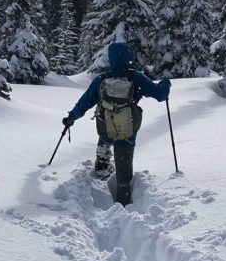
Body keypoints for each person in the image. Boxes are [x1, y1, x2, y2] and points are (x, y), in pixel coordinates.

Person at [63, 41, 171, 206]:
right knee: (124, 169)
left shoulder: (102, 79)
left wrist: (71, 117)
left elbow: (84, 102)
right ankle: (123, 201)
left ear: (111, 58)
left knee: (105, 137)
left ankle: (101, 168)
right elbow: (160, 95)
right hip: (127, 130)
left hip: (106, 126)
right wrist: (165, 84)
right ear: (128, 57)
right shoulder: (136, 77)